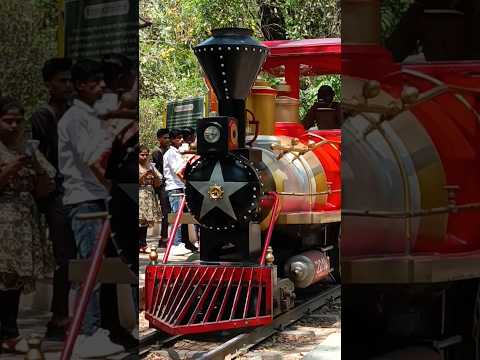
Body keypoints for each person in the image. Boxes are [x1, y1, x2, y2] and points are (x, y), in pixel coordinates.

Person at [58, 58, 124, 358]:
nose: (101, 86)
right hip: (85, 197)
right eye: (95, 81)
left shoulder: (91, 115)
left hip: (96, 196)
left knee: (97, 267)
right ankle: (87, 333)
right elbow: (92, 160)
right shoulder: (74, 119)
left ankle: (93, 329)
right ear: (80, 85)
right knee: (90, 268)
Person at [0, 96, 55, 353]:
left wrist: (35, 166)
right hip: (3, 217)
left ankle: (10, 332)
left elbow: (45, 190)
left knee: (14, 278)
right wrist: (13, 166)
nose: (13, 126)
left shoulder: (29, 149)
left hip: (23, 220)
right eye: (7, 121)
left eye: (17, 121)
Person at [30, 57, 76, 341]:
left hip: (77, 191)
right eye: (62, 81)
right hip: (57, 193)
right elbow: (42, 157)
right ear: (49, 84)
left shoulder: (75, 112)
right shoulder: (43, 116)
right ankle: (58, 318)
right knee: (64, 255)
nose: (67, 86)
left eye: (70, 80)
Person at [163, 129, 190, 255]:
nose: (181, 140)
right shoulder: (171, 153)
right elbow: (178, 172)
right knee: (177, 216)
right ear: (172, 139)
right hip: (175, 187)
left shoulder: (177, 152)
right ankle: (176, 243)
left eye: (181, 137)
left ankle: (182, 242)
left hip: (179, 186)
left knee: (182, 216)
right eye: (178, 138)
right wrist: (186, 182)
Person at [139, 145, 162, 253]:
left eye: (146, 154)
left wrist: (155, 175)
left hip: (149, 194)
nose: (144, 157)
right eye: (142, 154)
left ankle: (143, 244)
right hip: (139, 194)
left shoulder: (151, 166)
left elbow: (157, 183)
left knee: (146, 221)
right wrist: (144, 174)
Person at [151, 128, 170, 247]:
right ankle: (163, 239)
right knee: (165, 212)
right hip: (160, 185)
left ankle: (165, 238)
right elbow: (154, 170)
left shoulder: (169, 151)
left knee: (167, 212)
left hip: (168, 184)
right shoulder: (156, 152)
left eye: (168, 137)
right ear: (159, 139)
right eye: (165, 137)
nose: (167, 140)